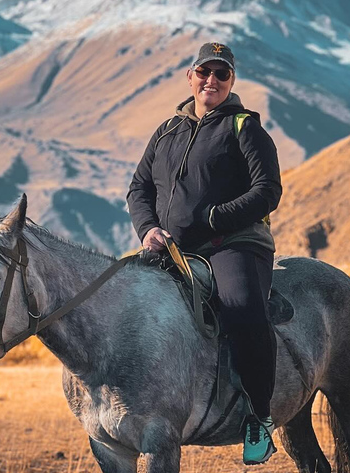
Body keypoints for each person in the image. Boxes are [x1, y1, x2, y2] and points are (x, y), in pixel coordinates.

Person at [126, 42, 282, 465]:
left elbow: (268, 192)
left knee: (244, 308)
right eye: (204, 71)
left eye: (221, 74)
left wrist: (214, 218)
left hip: (233, 245)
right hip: (171, 249)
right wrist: (148, 229)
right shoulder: (167, 130)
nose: (211, 80)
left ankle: (260, 419)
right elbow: (138, 189)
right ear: (189, 76)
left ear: (231, 81)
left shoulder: (244, 127)